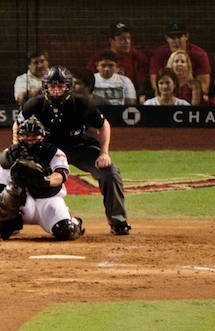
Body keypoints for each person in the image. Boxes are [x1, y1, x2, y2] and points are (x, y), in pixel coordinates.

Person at [14, 65, 131, 236]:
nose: (56, 90)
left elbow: (103, 125)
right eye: (52, 86)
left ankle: (118, 221)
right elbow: (18, 124)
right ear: (45, 87)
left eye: (60, 86)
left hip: (80, 147)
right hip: (47, 151)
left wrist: (104, 153)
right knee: (20, 173)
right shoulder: (35, 104)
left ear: (68, 87)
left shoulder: (82, 104)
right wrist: (18, 148)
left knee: (110, 172)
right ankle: (12, 221)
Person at [0, 116, 84, 241]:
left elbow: (61, 175)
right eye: (26, 135)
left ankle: (73, 221)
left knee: (67, 232)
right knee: (9, 191)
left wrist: (45, 181)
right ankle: (6, 227)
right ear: (20, 136)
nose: (30, 139)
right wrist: (7, 214)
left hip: (49, 201)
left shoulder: (53, 152)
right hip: (25, 204)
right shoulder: (9, 154)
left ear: (42, 136)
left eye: (34, 135)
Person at [86, 22, 150, 102]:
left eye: (128, 38)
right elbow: (87, 81)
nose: (127, 42)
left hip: (127, 96)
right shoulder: (100, 57)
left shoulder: (138, 57)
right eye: (122, 39)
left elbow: (143, 84)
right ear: (111, 41)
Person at [149, 21, 211, 101]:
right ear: (167, 38)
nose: (176, 41)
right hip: (167, 95)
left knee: (205, 98)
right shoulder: (159, 53)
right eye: (172, 37)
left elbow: (204, 86)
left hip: (190, 93)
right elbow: (155, 83)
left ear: (186, 36)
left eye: (179, 36)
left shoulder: (199, 53)